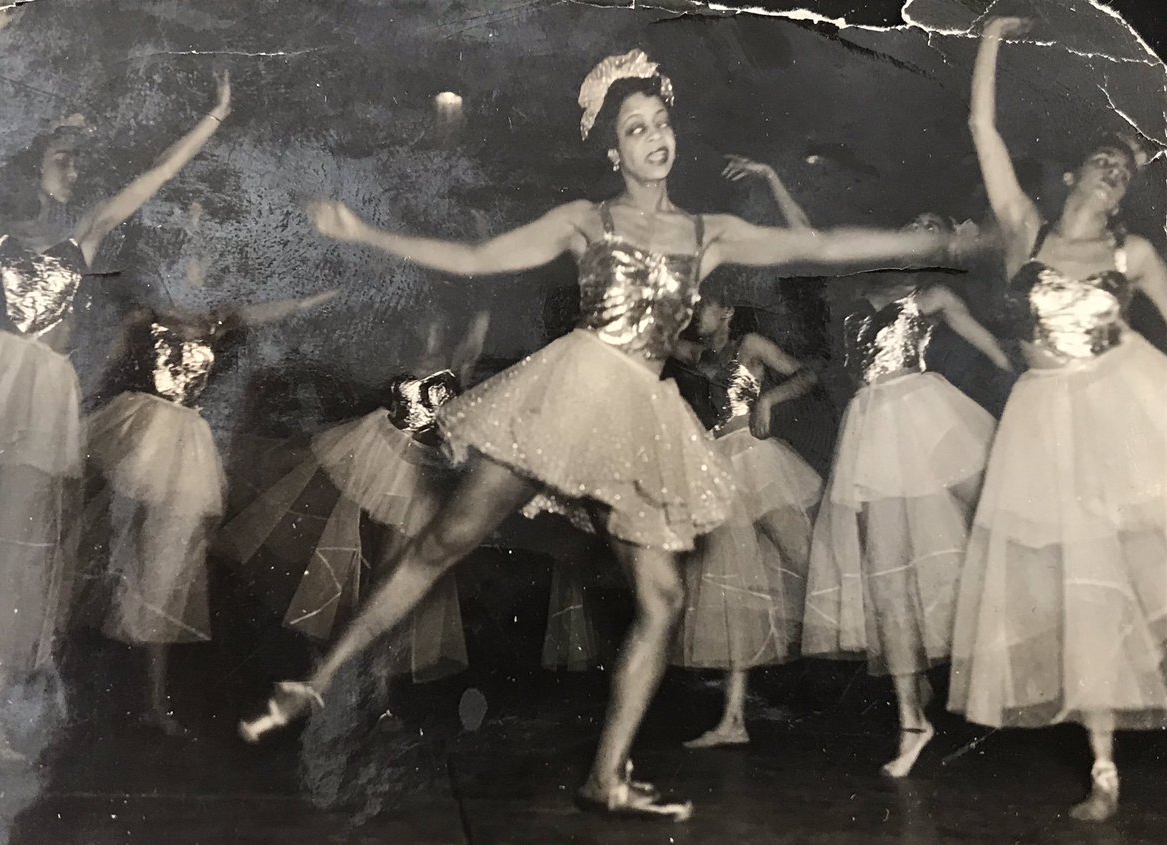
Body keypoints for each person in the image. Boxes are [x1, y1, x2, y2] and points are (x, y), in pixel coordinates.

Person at [239, 49, 959, 819]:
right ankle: (317, 680)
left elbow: (819, 248)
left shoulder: (709, 232)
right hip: (571, 391)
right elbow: (480, 258)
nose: (655, 137)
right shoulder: (588, 219)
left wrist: (927, 247)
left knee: (663, 594)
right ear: (614, 151)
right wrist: (366, 233)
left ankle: (606, 774)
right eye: (635, 127)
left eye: (661, 122)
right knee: (446, 540)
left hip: (639, 413)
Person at [0, 68, 230, 762]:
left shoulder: (84, 234)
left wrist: (213, 120)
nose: (75, 169)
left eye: (78, 159)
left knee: (16, 547)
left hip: (38, 398)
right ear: (31, 160)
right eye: (63, 156)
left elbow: (151, 178)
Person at [948, 17, 1167, 823]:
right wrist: (994, 37)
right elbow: (982, 127)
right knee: (1081, 586)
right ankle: (1103, 766)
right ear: (1077, 170)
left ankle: (1106, 769)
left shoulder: (1132, 254)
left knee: (1129, 574)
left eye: (1128, 172)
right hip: (1044, 423)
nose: (1115, 174)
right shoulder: (1024, 232)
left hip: (1121, 404)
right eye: (1106, 161)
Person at [802, 212, 1011, 778]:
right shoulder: (857, 290)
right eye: (910, 224)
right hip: (869, 436)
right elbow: (813, 236)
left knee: (995, 524)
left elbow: (992, 349)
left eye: (929, 227)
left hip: (924, 416)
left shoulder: (934, 293)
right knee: (886, 581)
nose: (917, 231)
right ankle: (912, 723)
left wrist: (1028, 392)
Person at [81, 289, 334, 735]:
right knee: (114, 554)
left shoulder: (218, 321)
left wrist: (324, 294)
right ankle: (99, 690)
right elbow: (105, 370)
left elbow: (279, 307)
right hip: (138, 432)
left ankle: (153, 702)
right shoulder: (146, 314)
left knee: (163, 573)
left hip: (183, 448)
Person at [219, 309, 487, 684]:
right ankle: (335, 661)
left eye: (441, 319)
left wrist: (480, 304)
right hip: (376, 447)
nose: (434, 325)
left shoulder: (461, 361)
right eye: (430, 319)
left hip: (414, 472)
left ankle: (376, 681)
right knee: (332, 524)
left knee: (391, 574)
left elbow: (477, 328)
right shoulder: (409, 348)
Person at [672, 297, 822, 748]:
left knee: (809, 563)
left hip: (757, 463)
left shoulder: (750, 344)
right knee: (730, 587)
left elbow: (811, 371)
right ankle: (733, 720)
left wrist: (769, 399)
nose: (695, 312)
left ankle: (894, 660)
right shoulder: (698, 355)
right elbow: (653, 341)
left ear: (728, 311)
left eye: (705, 305)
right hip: (719, 466)